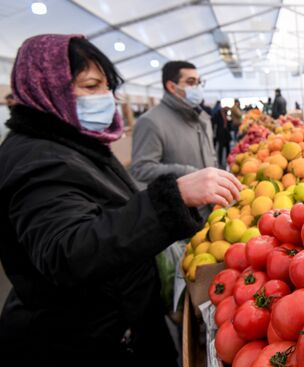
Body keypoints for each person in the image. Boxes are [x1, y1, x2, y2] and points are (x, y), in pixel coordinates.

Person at [0, 34, 241, 366]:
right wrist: (173, 196)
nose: (106, 98)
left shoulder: (73, 145)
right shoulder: (36, 160)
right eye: (90, 86)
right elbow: (67, 250)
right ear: (46, 87)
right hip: (81, 344)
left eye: (107, 87)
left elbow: (104, 213)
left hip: (113, 325)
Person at [131, 61, 217, 219]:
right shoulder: (151, 121)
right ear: (171, 86)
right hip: (181, 214)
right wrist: (185, 172)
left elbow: (210, 155)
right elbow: (141, 169)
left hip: (210, 207)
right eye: (191, 82)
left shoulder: (200, 117)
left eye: (198, 82)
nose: (197, 87)